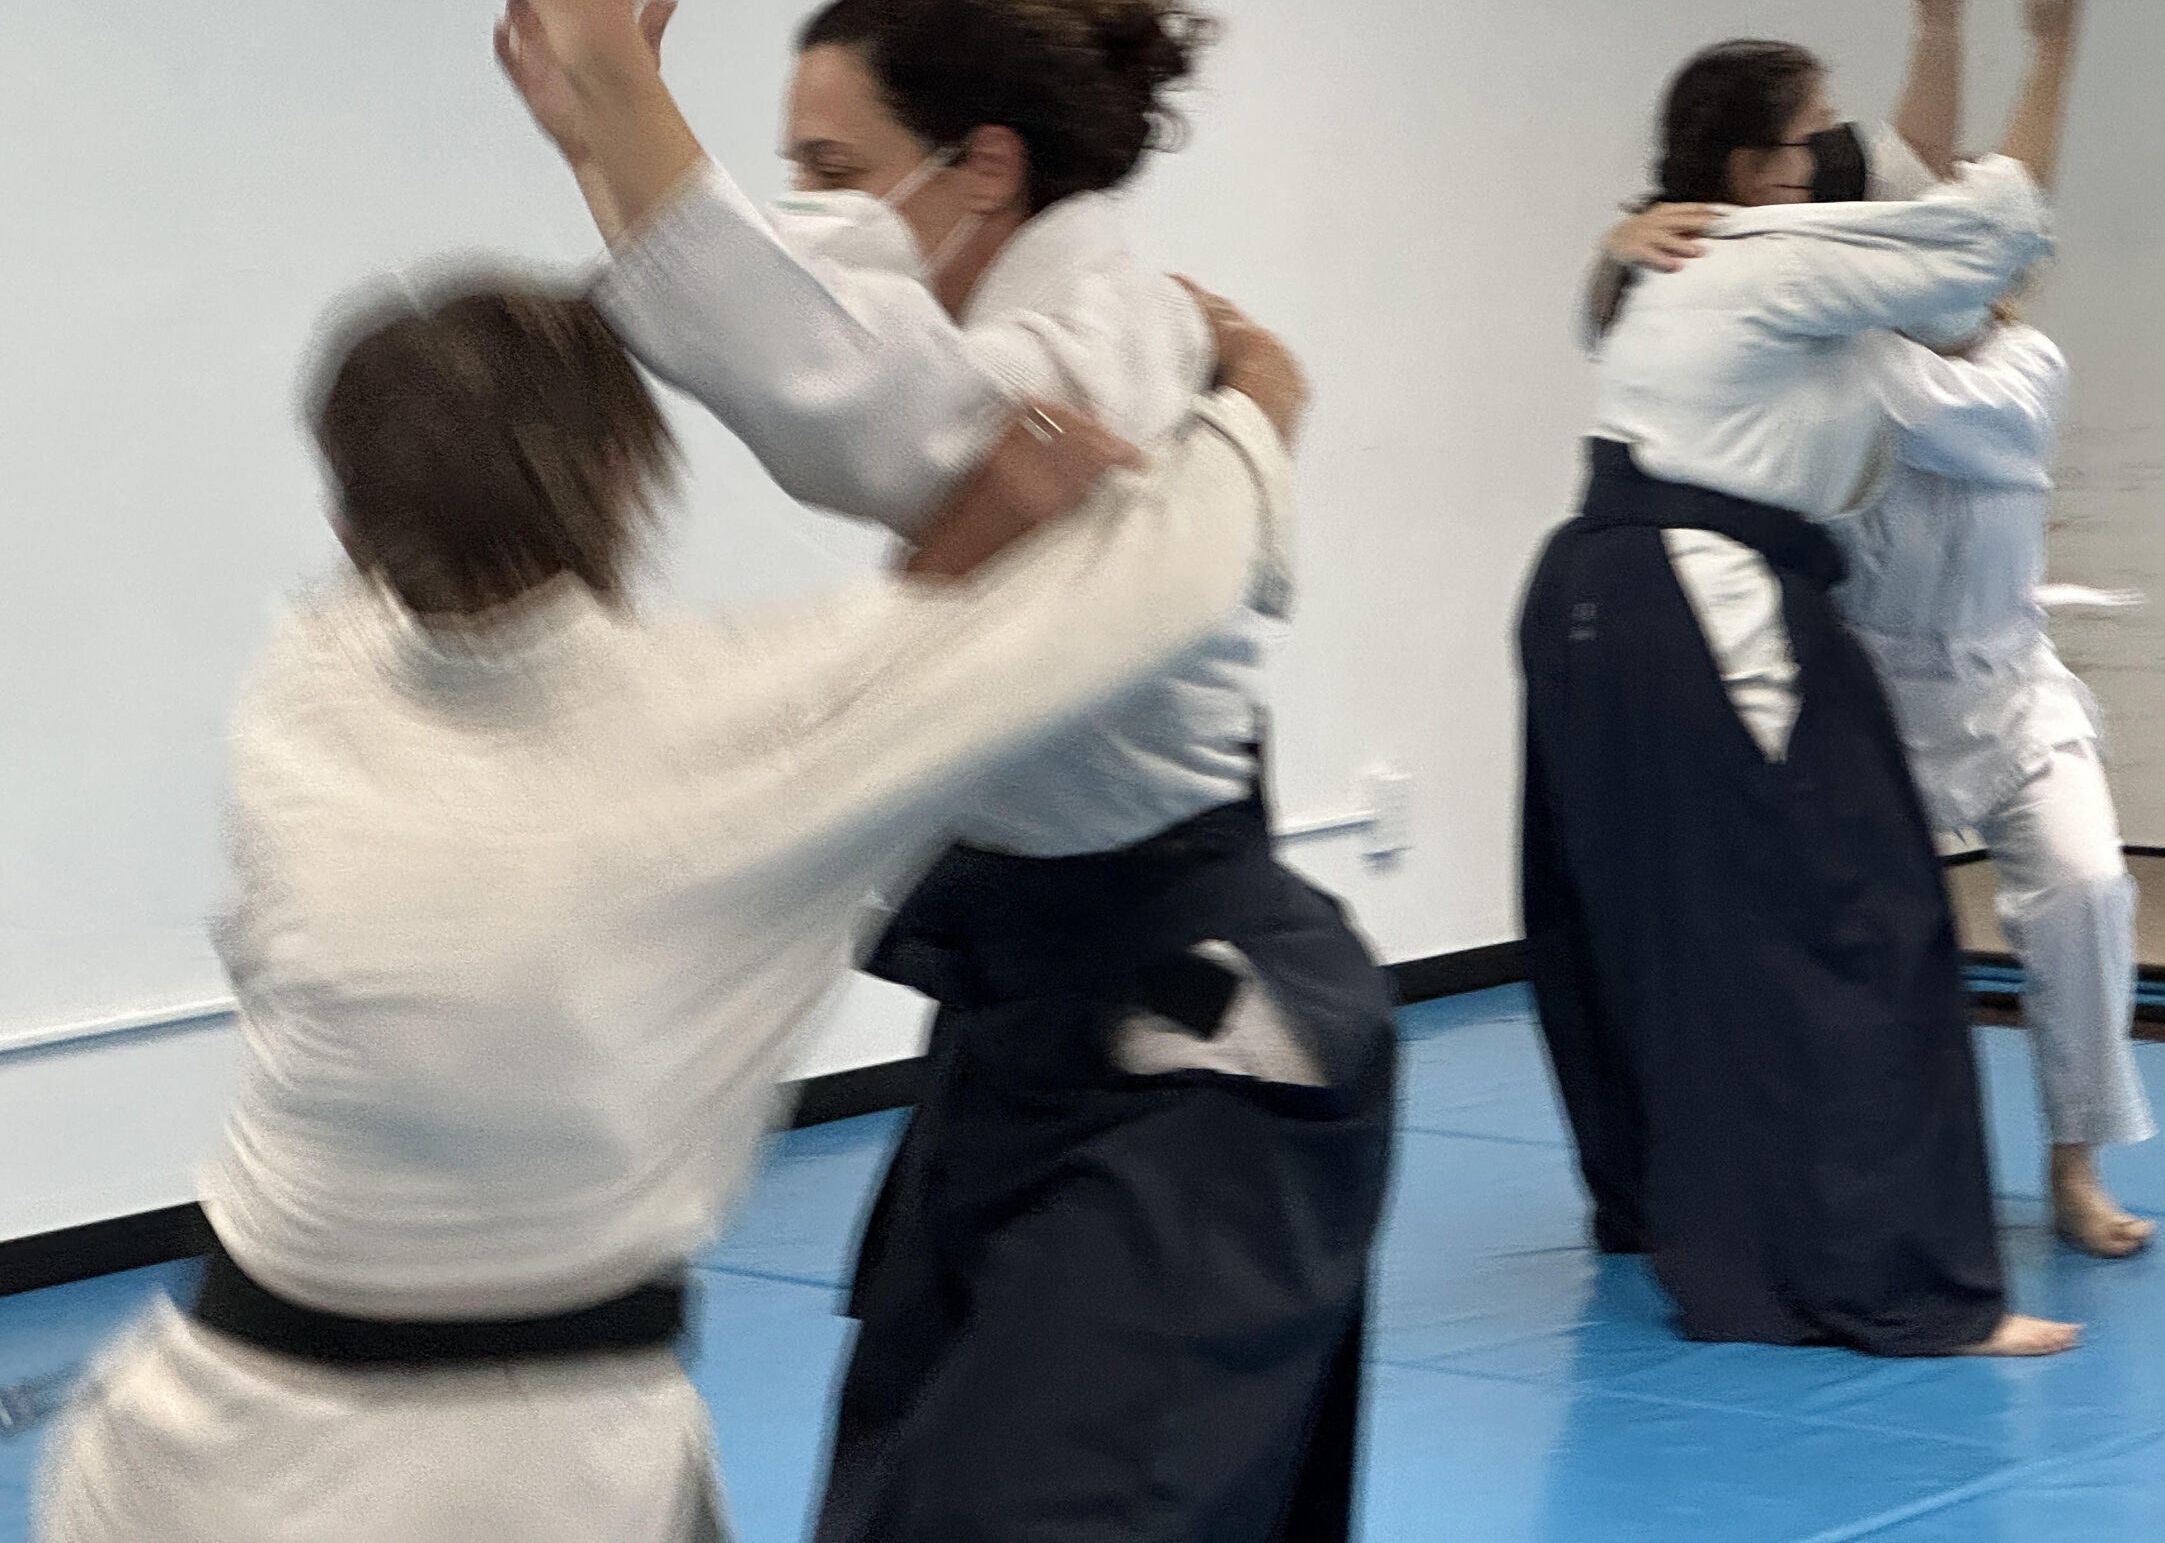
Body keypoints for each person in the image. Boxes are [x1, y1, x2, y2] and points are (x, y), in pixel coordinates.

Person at [471, 0, 1395, 1540]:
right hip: (1032, 1023)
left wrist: (616, 104)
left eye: (837, 165)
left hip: (1190, 1041)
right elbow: (799, 299)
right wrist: (606, 136)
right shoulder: (993, 297)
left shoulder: (1104, 344)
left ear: (984, 170)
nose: (809, 205)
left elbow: (851, 395)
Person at [32, 265, 1311, 1543]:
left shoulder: (301, 691)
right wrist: (1258, 396)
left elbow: (825, 689)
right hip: (523, 1485)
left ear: (349, 501)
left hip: (183, 1447)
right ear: (620, 478)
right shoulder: (736, 735)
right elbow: (1150, 587)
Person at [1517, 0, 2078, 1359]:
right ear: (1765, 167)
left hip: (1590, 595)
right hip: (1705, 596)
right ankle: (1890, 1284)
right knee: (1860, 926)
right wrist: (2059, 44)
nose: (1841, 144)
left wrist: (1943, 16)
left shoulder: (1683, 255)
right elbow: (1984, 227)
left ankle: (1661, 1206)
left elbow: (1911, 177)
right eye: (1815, 127)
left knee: (1635, 925)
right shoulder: (1754, 256)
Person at [1606, 0, 2159, 1259]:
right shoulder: (1845, 344)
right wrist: (1626, 242)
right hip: (1866, 684)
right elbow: (1913, 202)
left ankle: (2077, 1161)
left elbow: (1958, 225)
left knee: (2084, 890)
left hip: (2008, 679)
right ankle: (1817, 1157)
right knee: (1846, 944)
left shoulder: (2004, 373)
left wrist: (1999, 35)